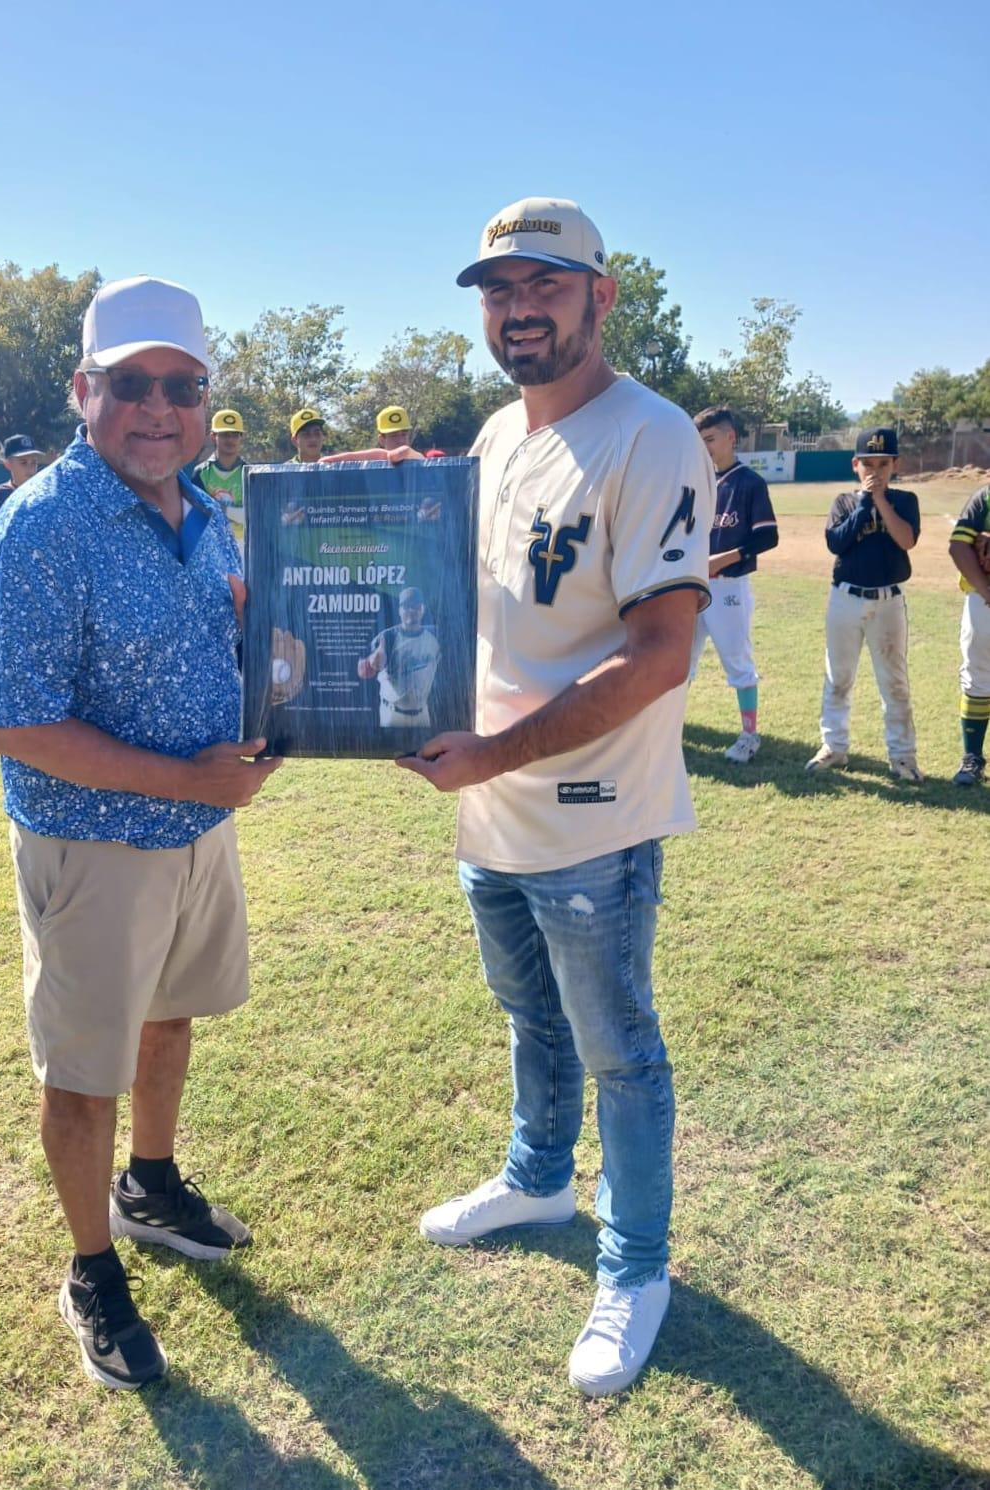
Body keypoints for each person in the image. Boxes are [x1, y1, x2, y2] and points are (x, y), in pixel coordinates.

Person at [399, 197, 715, 1397]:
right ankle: (539, 1177)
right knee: (529, 1021)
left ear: (601, 295)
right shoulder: (491, 434)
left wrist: (495, 750)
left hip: (589, 814)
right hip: (493, 809)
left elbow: (658, 654)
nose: (516, 307)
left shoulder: (650, 434)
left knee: (618, 1050)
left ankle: (635, 1264)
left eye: (542, 283)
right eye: (495, 289)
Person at [0, 275, 281, 1391]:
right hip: (95, 843)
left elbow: (241, 634)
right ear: (82, 388)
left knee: (169, 1022)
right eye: (133, 383)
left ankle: (150, 1185)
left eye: (183, 386)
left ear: (206, 401)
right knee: (83, 1071)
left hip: (200, 828)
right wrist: (180, 776)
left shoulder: (202, 509)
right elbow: (17, 723)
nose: (161, 408)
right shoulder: (42, 522)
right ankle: (91, 1266)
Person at [805, 428, 922, 781]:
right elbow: (837, 544)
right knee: (838, 676)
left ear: (895, 465)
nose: (876, 471)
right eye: (868, 463)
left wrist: (882, 501)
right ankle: (834, 747)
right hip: (846, 597)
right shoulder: (843, 501)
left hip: (888, 601)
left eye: (883, 464)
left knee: (895, 682)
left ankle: (903, 757)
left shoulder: (905, 501)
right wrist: (864, 504)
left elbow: (906, 540)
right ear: (855, 465)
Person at [690, 407, 778, 763]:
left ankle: (749, 735)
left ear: (731, 437)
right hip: (692, 586)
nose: (705, 447)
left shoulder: (749, 483)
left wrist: (721, 560)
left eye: (710, 439)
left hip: (728, 587)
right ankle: (666, 726)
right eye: (700, 441)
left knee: (737, 662)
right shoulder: (698, 481)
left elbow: (767, 537)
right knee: (679, 661)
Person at [946, 483, 990, 785]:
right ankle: (972, 757)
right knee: (977, 676)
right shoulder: (985, 497)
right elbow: (958, 546)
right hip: (983, 598)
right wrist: (986, 591)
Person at [357, 586, 440, 726]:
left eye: (415, 606)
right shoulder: (387, 637)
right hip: (393, 714)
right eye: (406, 607)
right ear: (399, 610)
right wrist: (372, 663)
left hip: (422, 714)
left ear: (423, 609)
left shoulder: (436, 636)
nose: (411, 611)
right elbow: (362, 671)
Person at [193, 408, 246, 546]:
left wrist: (225, 510)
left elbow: (255, 517)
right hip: (212, 546)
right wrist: (236, 513)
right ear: (213, 437)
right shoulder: (200, 474)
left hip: (243, 545)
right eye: (224, 435)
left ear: (241, 437)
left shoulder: (249, 474)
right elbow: (198, 516)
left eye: (235, 435)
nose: (230, 440)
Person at [0, 434, 44, 522]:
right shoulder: (1, 493)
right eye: (23, 463)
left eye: (34, 462)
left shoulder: (44, 491)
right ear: (8, 464)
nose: (30, 468)